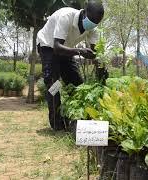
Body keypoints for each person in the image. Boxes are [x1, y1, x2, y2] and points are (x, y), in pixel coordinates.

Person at [37, 0, 104, 131]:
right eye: (91, 20)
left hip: (66, 49)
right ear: (84, 13)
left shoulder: (93, 28)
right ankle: (57, 124)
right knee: (54, 83)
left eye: (96, 22)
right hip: (49, 46)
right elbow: (57, 47)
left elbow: (94, 53)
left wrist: (101, 69)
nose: (93, 25)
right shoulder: (66, 16)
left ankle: (77, 118)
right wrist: (80, 51)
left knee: (77, 84)